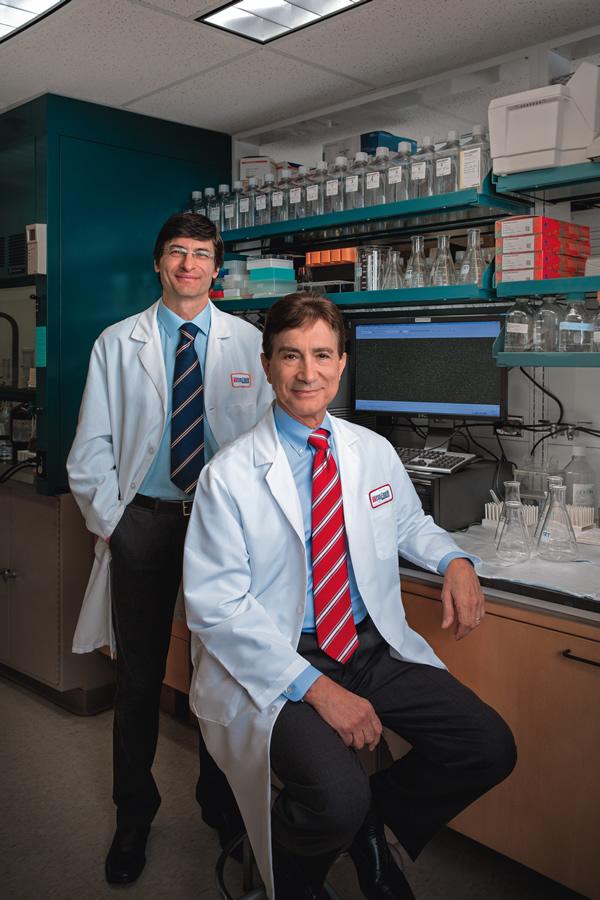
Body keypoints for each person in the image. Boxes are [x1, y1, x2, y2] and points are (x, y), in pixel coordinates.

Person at [183, 292, 517, 900]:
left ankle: (366, 825)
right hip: (282, 661)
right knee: (335, 795)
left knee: (487, 746)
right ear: (266, 365)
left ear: (342, 364)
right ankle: (284, 870)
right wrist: (321, 693)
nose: (306, 373)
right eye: (290, 356)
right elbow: (217, 609)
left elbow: (411, 525)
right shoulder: (228, 475)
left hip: (365, 644)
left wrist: (456, 560)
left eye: (321, 355)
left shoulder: (371, 451)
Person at [67, 213, 273, 885]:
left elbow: (272, 440)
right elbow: (90, 450)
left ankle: (221, 805)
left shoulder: (250, 343)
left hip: (222, 527)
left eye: (202, 254)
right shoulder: (116, 343)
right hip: (146, 524)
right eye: (177, 253)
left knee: (224, 669)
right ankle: (134, 816)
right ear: (159, 263)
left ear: (218, 267)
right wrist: (117, 524)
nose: (189, 264)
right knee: (138, 678)